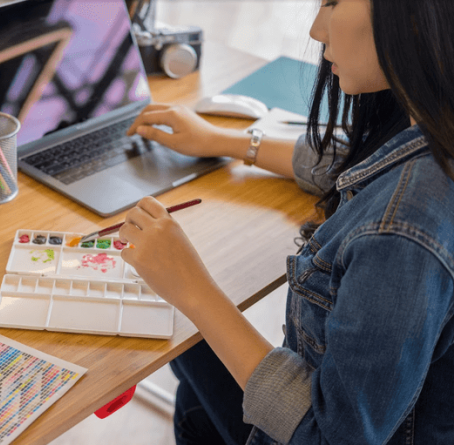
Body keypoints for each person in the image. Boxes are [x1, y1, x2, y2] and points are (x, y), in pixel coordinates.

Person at [119, 1, 454, 444]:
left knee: (187, 337)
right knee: (195, 397)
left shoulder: (402, 234)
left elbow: (330, 436)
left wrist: (193, 290)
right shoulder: (431, 130)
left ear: (414, 15)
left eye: (333, 2)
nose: (317, 30)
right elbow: (363, 162)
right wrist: (225, 140)